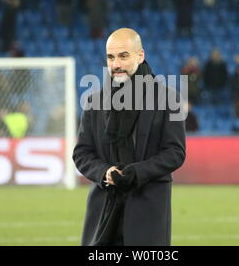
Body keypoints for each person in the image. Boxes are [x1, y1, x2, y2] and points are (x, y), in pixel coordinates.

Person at [73, 28, 186, 246]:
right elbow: (82, 153)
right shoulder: (94, 101)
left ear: (140, 56)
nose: (116, 64)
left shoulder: (168, 99)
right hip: (104, 211)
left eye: (123, 56)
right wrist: (104, 172)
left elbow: (175, 153)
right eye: (110, 57)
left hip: (147, 212)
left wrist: (137, 172)